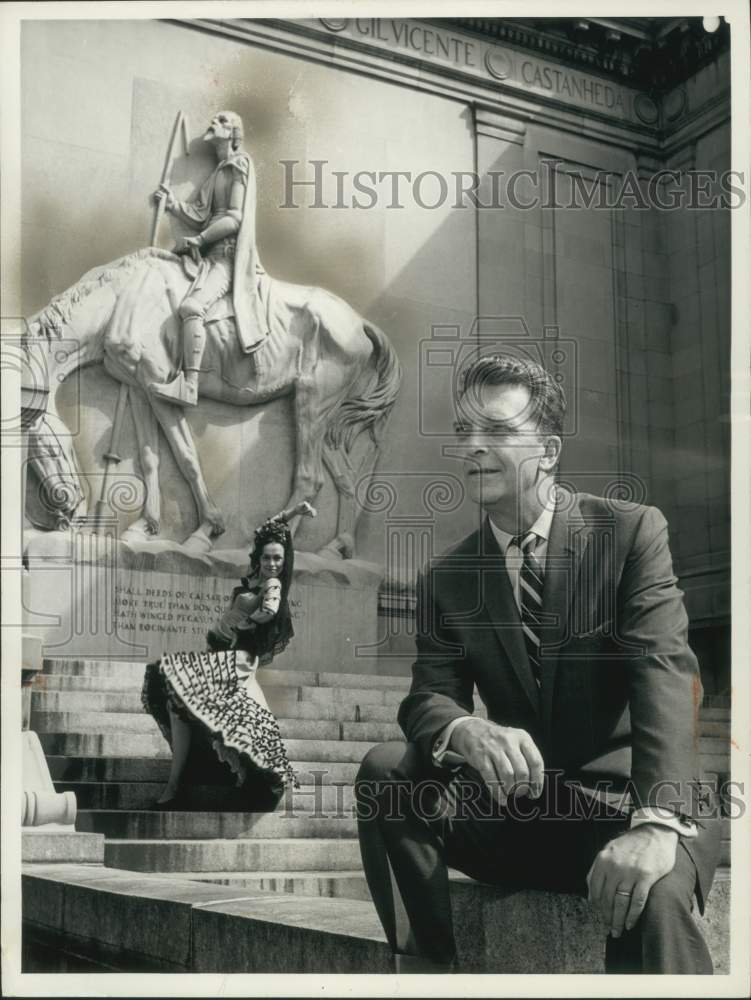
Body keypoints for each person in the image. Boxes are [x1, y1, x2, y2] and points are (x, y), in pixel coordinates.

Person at [355, 354, 721, 974]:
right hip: (522, 811)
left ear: (548, 450)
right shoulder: (449, 577)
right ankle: (425, 973)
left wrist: (655, 824)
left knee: (652, 896)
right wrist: (463, 729)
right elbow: (426, 697)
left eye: (496, 431)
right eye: (464, 431)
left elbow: (666, 671)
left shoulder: (629, 533)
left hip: (627, 801)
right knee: (387, 771)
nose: (472, 446)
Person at [141, 502, 315, 808]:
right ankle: (178, 781)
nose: (273, 563)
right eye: (267, 557)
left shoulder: (272, 583)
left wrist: (252, 620)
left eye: (278, 558)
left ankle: (177, 784)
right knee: (176, 700)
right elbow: (264, 530)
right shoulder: (257, 577)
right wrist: (294, 512)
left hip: (237, 661)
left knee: (180, 693)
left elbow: (272, 608)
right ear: (259, 558)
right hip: (220, 657)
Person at [150, 110, 267, 407]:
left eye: (223, 121)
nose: (213, 122)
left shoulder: (238, 165)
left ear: (234, 134)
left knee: (192, 306)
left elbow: (234, 218)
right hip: (208, 256)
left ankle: (189, 386)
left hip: (225, 258)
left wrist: (200, 240)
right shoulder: (218, 173)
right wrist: (173, 203)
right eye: (214, 119)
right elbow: (201, 214)